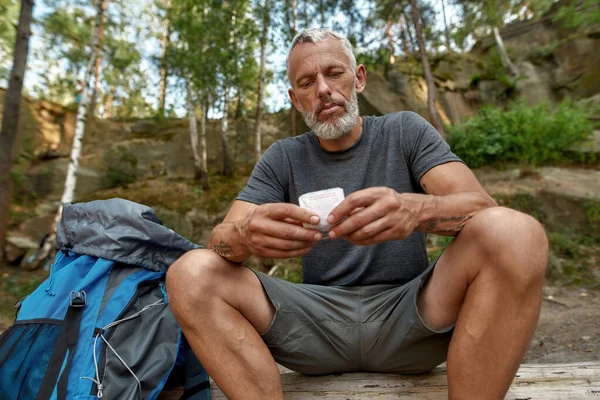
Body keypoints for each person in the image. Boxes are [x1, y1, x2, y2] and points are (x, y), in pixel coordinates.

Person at [167, 28, 548, 400]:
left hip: (414, 316)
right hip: (313, 326)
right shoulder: (283, 157)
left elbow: (484, 208)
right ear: (295, 99)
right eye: (306, 82)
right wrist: (244, 235)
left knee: (516, 233)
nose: (322, 89)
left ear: (359, 78)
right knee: (190, 272)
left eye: (334, 73)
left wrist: (415, 209)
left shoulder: (404, 131)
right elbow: (218, 241)